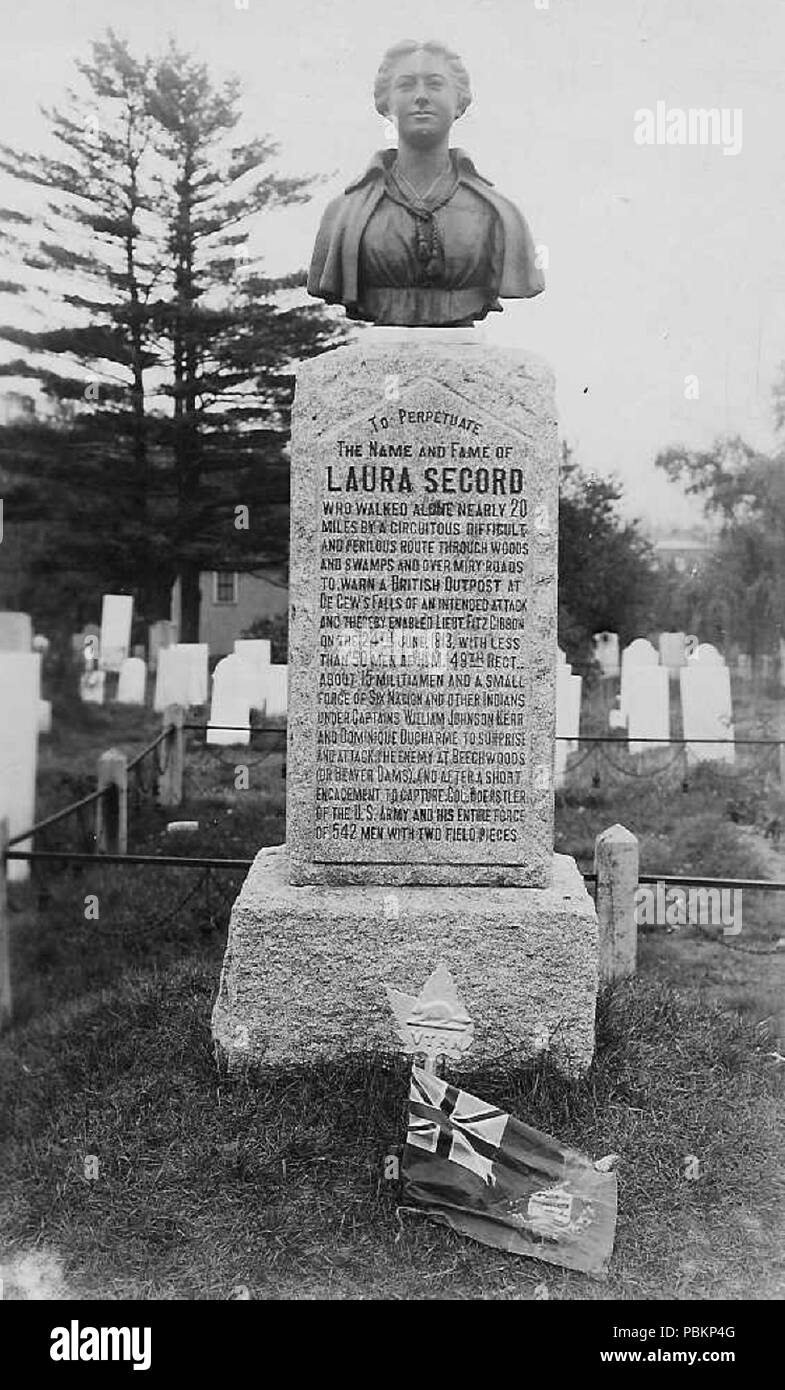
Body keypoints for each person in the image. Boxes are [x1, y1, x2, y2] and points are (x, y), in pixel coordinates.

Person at [307, 39, 545, 327]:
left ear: (459, 102)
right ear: (386, 104)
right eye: (406, 85)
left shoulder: (500, 215)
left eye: (434, 84)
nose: (421, 97)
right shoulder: (343, 213)